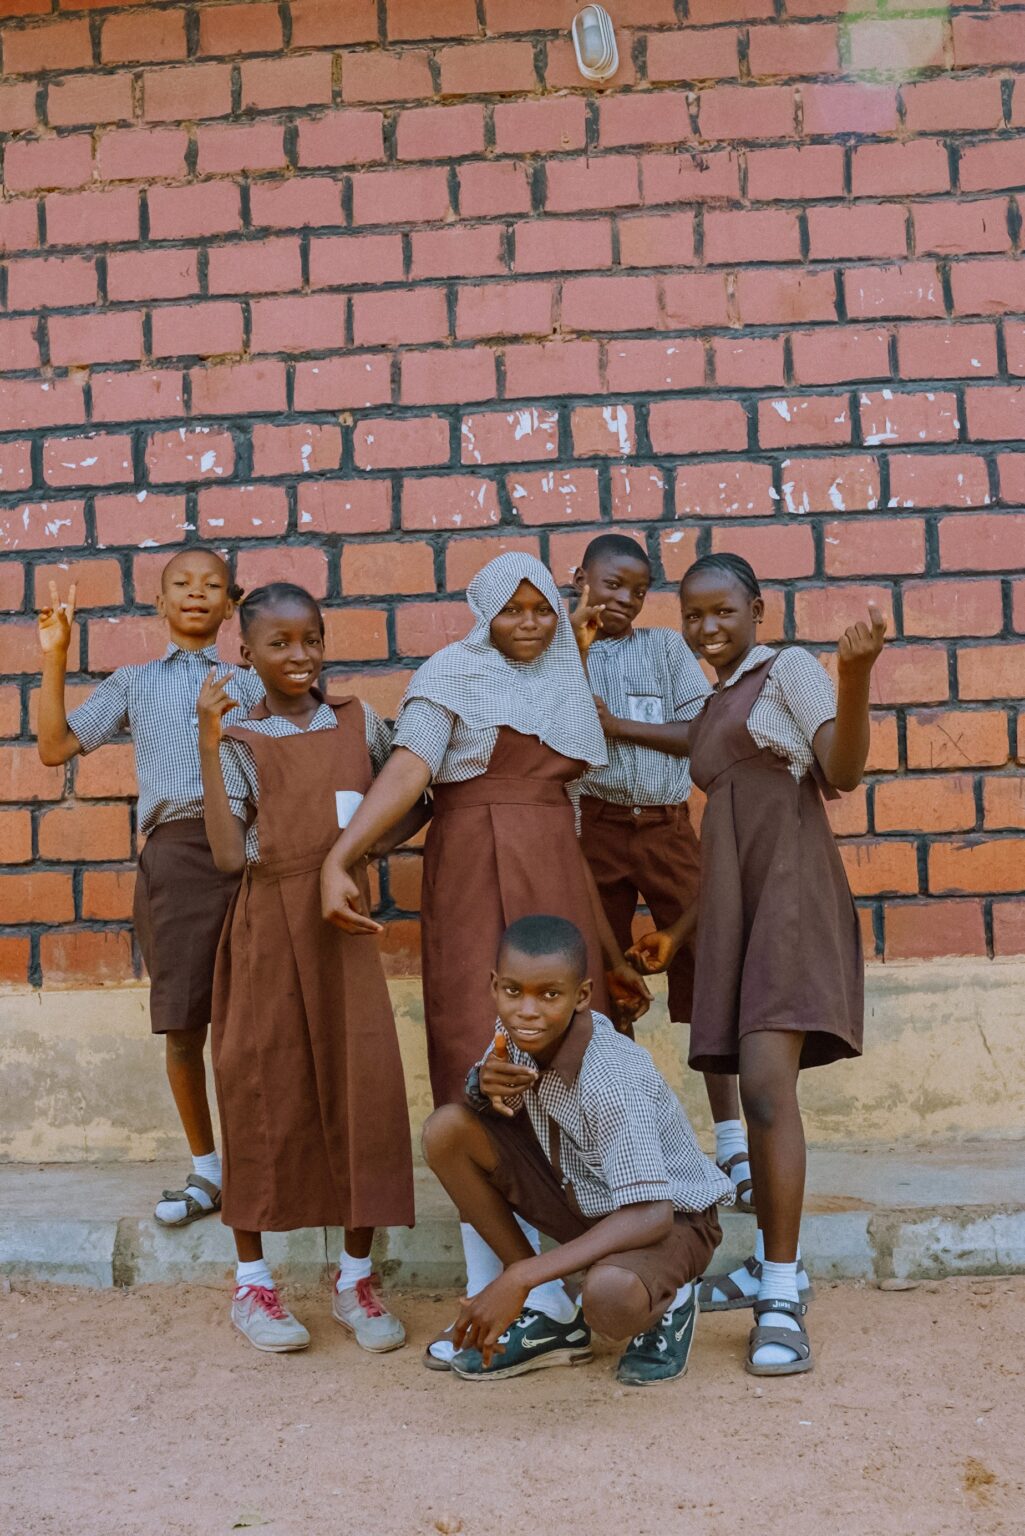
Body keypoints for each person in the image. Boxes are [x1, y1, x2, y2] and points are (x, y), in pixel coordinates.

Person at [319, 551, 652, 1367]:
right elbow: (409, 771)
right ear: (483, 612)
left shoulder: (567, 679)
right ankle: (507, 1290)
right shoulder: (450, 674)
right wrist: (341, 856)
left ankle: (578, 1282)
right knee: (476, 1057)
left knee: (572, 1067)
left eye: (541, 609)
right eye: (511, 609)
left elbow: (572, 824)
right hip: (470, 868)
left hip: (555, 877)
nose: (529, 624)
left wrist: (610, 954)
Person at [629, 553, 885, 1377]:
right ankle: (779, 1267)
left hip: (793, 898)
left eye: (722, 611)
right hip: (738, 910)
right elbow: (702, 771)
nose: (706, 627)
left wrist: (854, 677)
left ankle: (779, 1294)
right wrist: (679, 935)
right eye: (691, 615)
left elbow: (842, 769)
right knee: (754, 1088)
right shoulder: (716, 704)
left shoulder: (789, 672)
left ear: (757, 611)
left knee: (769, 1092)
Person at [196, 581, 418, 1354]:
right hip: (267, 926)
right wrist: (206, 741)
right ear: (246, 653)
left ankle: (354, 1277)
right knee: (261, 1089)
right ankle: (252, 1283)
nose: (300, 655)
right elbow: (228, 857)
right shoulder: (239, 738)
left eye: (312, 639)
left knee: (365, 1090)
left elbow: (413, 793)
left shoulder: (360, 723)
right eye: (279, 643)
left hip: (344, 928)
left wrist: (369, 847)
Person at [36, 550, 262, 1229]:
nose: (196, 594)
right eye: (181, 585)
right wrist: (56, 654)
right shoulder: (134, 682)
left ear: (231, 606)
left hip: (253, 856)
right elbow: (53, 747)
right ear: (159, 604)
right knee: (184, 1022)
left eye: (212, 585)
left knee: (257, 1022)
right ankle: (208, 1171)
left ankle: (264, 1167)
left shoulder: (254, 683)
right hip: (175, 859)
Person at [421, 914, 734, 1384]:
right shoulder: (518, 1032)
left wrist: (520, 1275)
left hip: (671, 1219)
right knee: (447, 1131)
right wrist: (481, 1086)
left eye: (550, 995)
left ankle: (672, 1300)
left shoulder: (610, 1078)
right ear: (495, 987)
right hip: (585, 1194)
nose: (528, 1010)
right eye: (513, 991)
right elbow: (488, 1108)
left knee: (608, 1297)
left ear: (582, 996)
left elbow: (651, 1213)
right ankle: (552, 1313)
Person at [570, 533, 754, 1215]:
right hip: (594, 827)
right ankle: (629, 1141)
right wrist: (575, 648)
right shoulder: (558, 652)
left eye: (638, 591)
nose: (623, 600)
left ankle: (730, 1141)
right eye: (610, 585)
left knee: (708, 962)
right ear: (580, 579)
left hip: (666, 825)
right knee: (604, 977)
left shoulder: (666, 650)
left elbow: (699, 731)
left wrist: (615, 725)